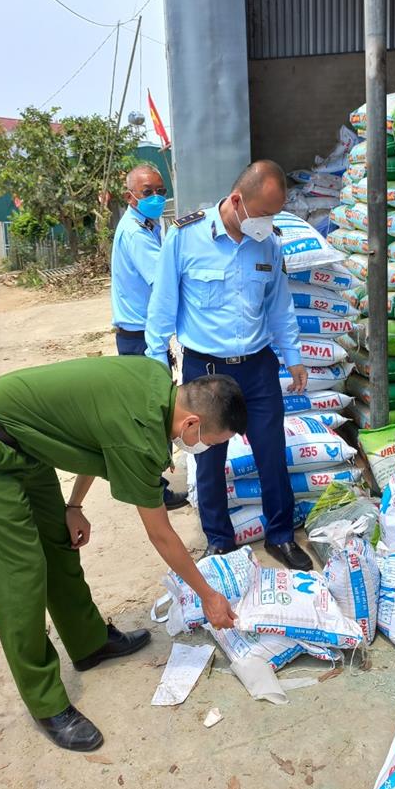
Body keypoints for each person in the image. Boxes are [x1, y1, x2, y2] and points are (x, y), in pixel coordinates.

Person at [0, 357, 247, 752]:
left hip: (28, 443)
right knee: (20, 574)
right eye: (211, 442)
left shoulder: (156, 382)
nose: (205, 448)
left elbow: (96, 442)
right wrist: (208, 596)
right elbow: (161, 535)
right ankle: (45, 702)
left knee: (60, 545)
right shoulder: (139, 437)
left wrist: (74, 506)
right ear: (190, 424)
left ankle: (88, 644)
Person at [145, 159, 313, 571]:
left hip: (257, 367)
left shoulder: (269, 243)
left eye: (274, 214)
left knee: (272, 454)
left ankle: (280, 536)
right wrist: (154, 369)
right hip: (206, 370)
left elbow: (279, 307)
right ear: (236, 201)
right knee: (208, 459)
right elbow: (162, 306)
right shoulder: (185, 237)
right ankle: (219, 541)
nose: (267, 223)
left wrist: (293, 357)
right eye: (263, 213)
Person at [110, 163, 188, 509]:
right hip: (139, 337)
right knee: (150, 414)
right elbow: (163, 281)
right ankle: (153, 492)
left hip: (142, 332)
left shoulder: (149, 224)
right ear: (130, 197)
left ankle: (154, 485)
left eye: (160, 190)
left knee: (153, 409)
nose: (156, 197)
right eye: (147, 192)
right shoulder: (135, 233)